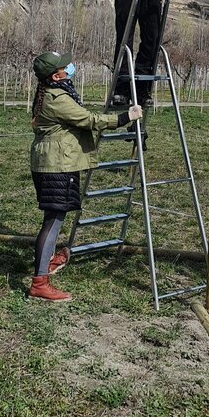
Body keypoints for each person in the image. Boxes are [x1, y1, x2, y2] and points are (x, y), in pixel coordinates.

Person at [29, 50, 142, 303]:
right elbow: (88, 120)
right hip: (57, 165)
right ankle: (39, 283)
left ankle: (46, 262)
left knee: (53, 217)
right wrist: (125, 117)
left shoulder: (50, 93)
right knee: (53, 220)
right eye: (64, 66)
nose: (69, 67)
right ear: (55, 76)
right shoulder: (57, 98)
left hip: (52, 161)